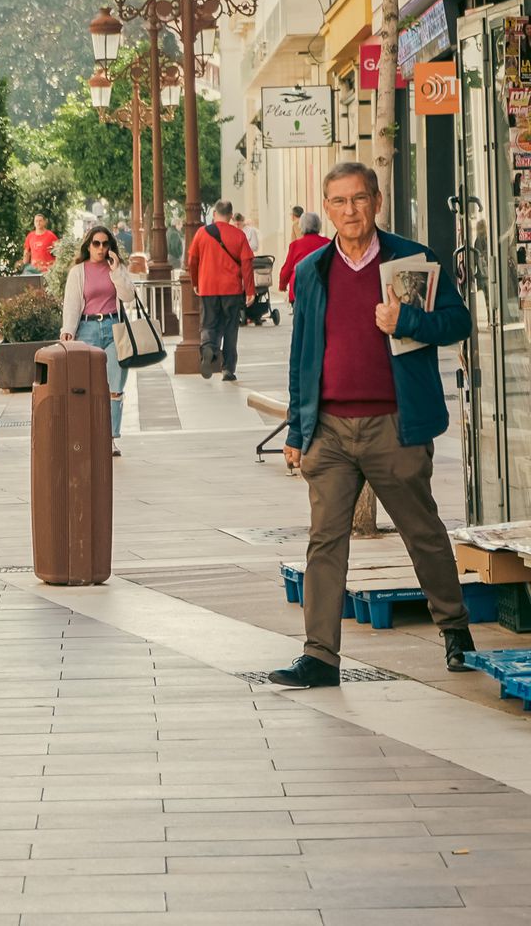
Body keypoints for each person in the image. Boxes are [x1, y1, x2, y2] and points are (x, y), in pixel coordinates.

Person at [270, 162, 473, 689]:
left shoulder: (410, 259)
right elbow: (301, 355)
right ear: (327, 208)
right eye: (338, 202)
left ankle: (455, 631)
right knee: (324, 541)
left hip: (395, 425)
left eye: (359, 199)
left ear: (376, 202)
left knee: (423, 533)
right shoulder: (314, 271)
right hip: (331, 429)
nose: (350, 211)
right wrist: (297, 431)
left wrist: (406, 321)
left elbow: (458, 321)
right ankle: (319, 656)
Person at [60, 226, 136, 457]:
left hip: (114, 329)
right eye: (96, 244)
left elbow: (128, 296)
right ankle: (88, 435)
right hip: (88, 329)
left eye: (105, 244)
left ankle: (110, 438)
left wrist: (115, 271)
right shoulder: (78, 271)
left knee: (115, 387)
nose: (101, 248)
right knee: (87, 386)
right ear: (88, 245)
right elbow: (72, 304)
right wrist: (68, 330)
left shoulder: (116, 268)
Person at [186, 200, 254, 381]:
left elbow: (192, 260)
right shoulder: (239, 235)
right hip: (231, 289)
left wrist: (195, 281)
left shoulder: (202, 233)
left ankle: (208, 348)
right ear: (231, 216)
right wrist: (250, 290)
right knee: (231, 328)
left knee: (209, 323)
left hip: (208, 287)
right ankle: (228, 369)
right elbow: (247, 263)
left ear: (214, 214)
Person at [279, 211, 330, 303]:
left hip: (300, 289)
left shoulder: (295, 245)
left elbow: (287, 268)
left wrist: (282, 285)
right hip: (322, 289)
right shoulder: (328, 243)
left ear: (301, 226)